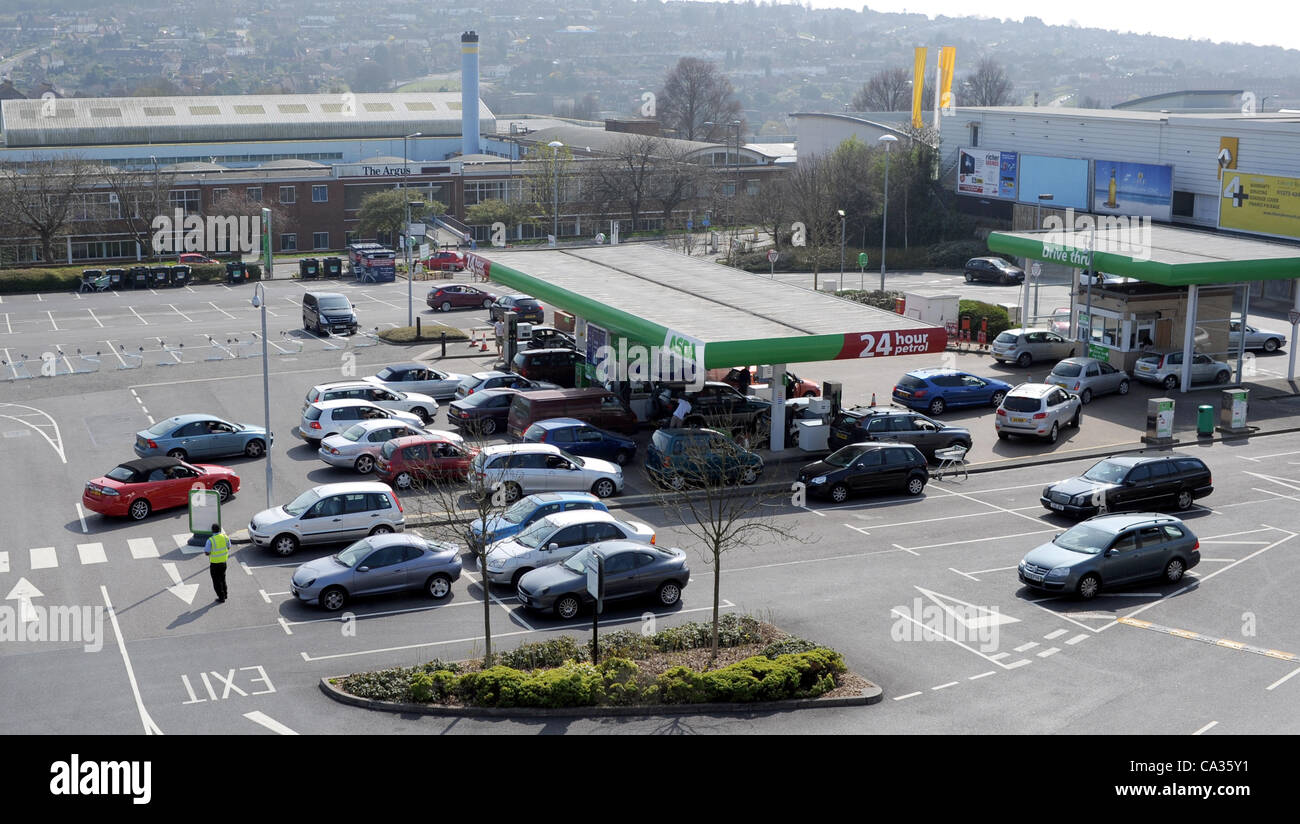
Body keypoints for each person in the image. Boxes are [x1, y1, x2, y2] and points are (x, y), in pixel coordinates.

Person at [204, 523, 229, 603]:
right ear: (219, 530)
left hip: (214, 564)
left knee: (216, 581)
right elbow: (228, 547)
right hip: (223, 563)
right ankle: (225, 594)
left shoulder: (210, 540)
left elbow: (207, 552)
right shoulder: (225, 537)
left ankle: (221, 597)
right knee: (223, 578)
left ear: (212, 530)